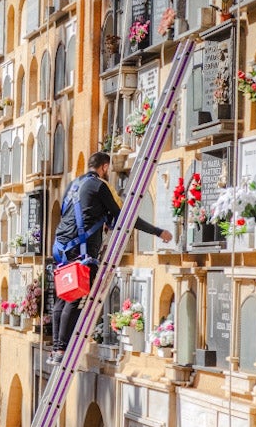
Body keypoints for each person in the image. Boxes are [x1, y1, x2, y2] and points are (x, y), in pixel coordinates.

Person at [49, 151, 173, 363]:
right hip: (81, 251)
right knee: (73, 298)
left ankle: (56, 349)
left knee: (63, 298)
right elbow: (125, 217)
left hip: (61, 247)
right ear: (104, 167)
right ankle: (62, 351)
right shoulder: (99, 186)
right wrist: (158, 231)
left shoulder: (73, 185)